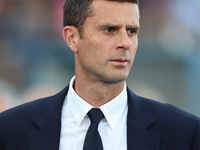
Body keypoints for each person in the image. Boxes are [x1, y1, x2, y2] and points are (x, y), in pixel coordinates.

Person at [0, 0, 199, 149]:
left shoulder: (183, 132)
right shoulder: (10, 129)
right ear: (72, 38)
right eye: (109, 30)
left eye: (131, 31)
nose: (125, 42)